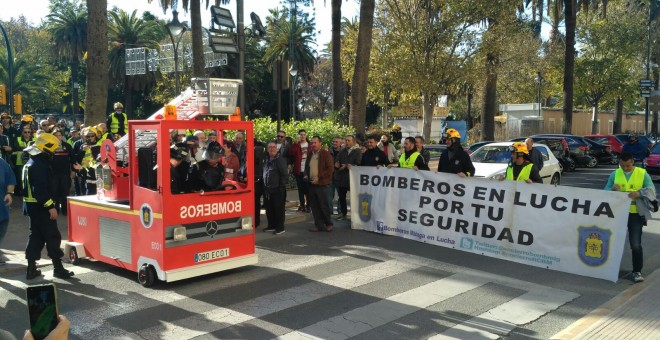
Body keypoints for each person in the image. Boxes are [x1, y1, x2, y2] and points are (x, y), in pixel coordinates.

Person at [23, 133, 74, 279]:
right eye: (53, 151)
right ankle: (58, 268)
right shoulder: (39, 165)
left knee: (36, 236)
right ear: (46, 149)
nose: (53, 154)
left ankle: (31, 269)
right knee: (52, 236)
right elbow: (40, 189)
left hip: (32, 207)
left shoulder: (31, 162)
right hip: (42, 208)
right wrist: (50, 207)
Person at [604, 152, 655, 283]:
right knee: (612, 242)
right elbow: (604, 191)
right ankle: (608, 268)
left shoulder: (642, 173)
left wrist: (639, 193)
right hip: (617, 213)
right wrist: (612, 190)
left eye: (627, 166)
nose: (624, 168)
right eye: (622, 166)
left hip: (635, 214)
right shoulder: (615, 174)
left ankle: (637, 271)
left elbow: (651, 190)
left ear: (632, 161)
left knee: (635, 244)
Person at [305, 136, 335, 232]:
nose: (313, 144)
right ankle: (318, 225)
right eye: (312, 143)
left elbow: (330, 169)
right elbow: (307, 167)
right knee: (314, 206)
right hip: (311, 184)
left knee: (323, 205)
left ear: (320, 143)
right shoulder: (310, 154)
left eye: (315, 142)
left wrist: (319, 177)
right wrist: (306, 175)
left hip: (322, 184)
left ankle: (328, 223)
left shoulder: (325, 154)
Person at [262, 142, 288, 235]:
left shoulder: (280, 160)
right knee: (269, 209)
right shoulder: (266, 159)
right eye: (270, 147)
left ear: (277, 149)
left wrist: (280, 187)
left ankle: (280, 227)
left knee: (279, 209)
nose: (272, 149)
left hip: (277, 189)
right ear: (267, 149)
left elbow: (284, 175)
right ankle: (271, 225)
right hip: (267, 190)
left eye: (274, 147)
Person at [335, 135, 361, 220]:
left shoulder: (357, 151)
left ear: (353, 142)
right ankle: (343, 213)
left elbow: (359, 163)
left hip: (352, 178)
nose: (347, 142)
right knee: (342, 197)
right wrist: (337, 164)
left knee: (354, 197)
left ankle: (355, 214)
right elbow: (337, 160)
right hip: (342, 178)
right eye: (346, 140)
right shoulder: (342, 151)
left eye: (349, 140)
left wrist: (348, 165)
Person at [50, 129, 73, 215]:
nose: (58, 137)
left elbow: (73, 158)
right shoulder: (50, 146)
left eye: (59, 135)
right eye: (56, 135)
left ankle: (65, 210)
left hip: (65, 173)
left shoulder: (67, 146)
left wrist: (73, 171)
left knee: (65, 192)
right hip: (53, 173)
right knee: (54, 192)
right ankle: (55, 209)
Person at [288, 129, 310, 212]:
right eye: (301, 134)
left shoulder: (310, 145)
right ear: (299, 136)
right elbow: (291, 153)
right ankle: (302, 205)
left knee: (307, 189)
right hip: (298, 170)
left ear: (306, 135)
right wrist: (295, 143)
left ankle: (308, 206)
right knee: (300, 189)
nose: (302, 136)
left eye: (304, 134)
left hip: (307, 170)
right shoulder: (297, 145)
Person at [0, 157, 16, 265]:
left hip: (2, 207)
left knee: (2, 229)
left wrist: (9, 193)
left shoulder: (2, 162)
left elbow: (10, 179)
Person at [329, 136, 343, 214]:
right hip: (330, 177)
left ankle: (340, 210)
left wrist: (340, 166)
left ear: (340, 143)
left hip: (340, 176)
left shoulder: (344, 152)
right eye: (333, 141)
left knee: (340, 195)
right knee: (329, 195)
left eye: (336, 142)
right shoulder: (328, 151)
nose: (334, 143)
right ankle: (330, 211)